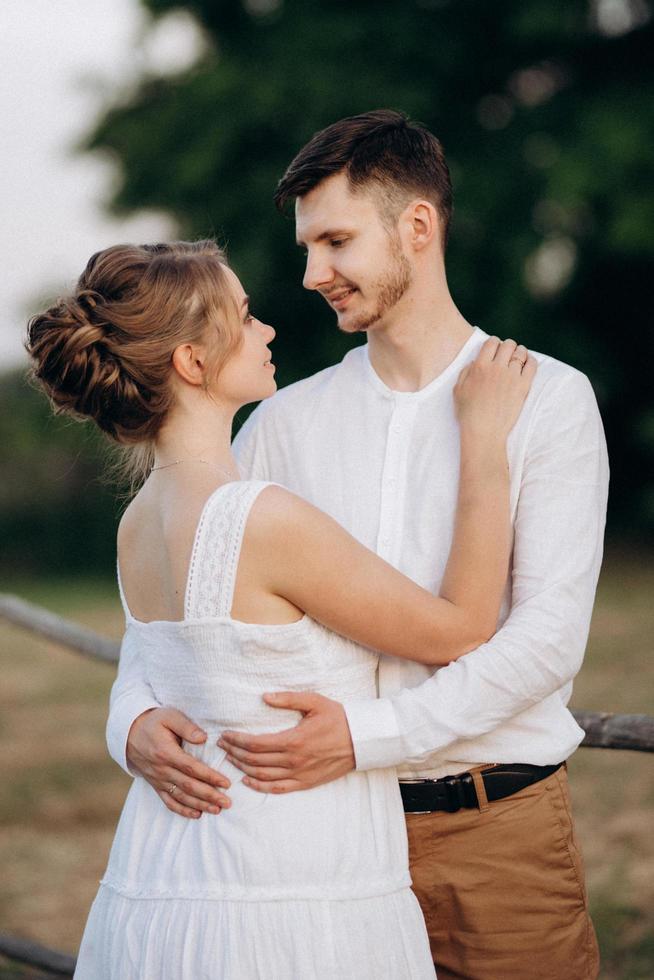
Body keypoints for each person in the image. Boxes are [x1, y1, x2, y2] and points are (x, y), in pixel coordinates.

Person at [110, 111, 609, 980]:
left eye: (335, 241)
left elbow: (545, 641)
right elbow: (193, 614)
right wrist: (132, 721)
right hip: (314, 841)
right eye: (306, 247)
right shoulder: (280, 423)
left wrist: (368, 735)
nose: (312, 274)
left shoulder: (548, 401)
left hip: (495, 834)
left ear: (416, 226)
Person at [27, 238, 535, 978]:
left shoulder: (137, 521)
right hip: (290, 883)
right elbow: (458, 628)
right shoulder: (261, 518)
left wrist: (128, 722)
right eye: (245, 315)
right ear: (193, 363)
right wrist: (485, 440)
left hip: (171, 872)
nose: (266, 330)